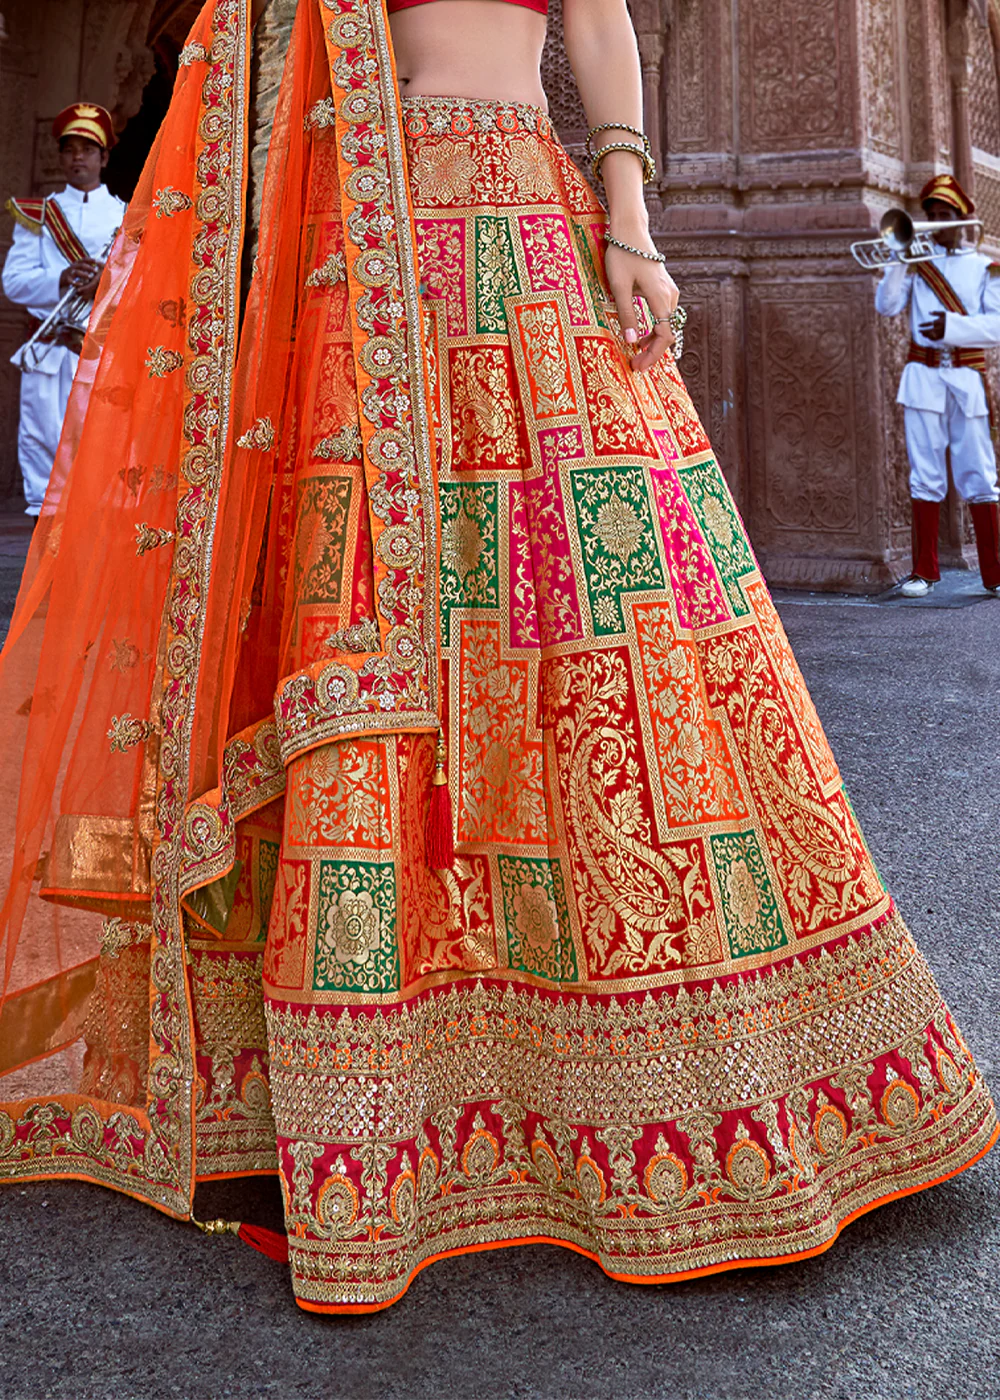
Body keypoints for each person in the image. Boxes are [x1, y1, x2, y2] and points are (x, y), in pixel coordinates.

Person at [0, 0, 994, 1316]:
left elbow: (598, 26)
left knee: (612, 601)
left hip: (532, 223)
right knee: (359, 616)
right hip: (368, 235)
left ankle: (703, 1083)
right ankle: (352, 1110)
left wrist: (631, 222)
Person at [875, 173, 1000, 598]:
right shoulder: (916, 263)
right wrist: (897, 260)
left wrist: (954, 327)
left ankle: (995, 574)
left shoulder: (985, 267)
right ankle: (924, 573)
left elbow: (997, 326)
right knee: (924, 474)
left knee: (978, 473)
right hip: (922, 377)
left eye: (944, 215)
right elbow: (887, 306)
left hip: (965, 377)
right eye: (930, 215)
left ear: (963, 220)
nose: (936, 222)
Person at [2, 103, 124, 515]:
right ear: (60, 156)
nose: (77, 157)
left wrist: (100, 286)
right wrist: (61, 279)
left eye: (88, 149)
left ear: (104, 157)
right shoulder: (38, 215)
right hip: (50, 351)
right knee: (42, 452)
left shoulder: (125, 217)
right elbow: (14, 282)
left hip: (99, 350)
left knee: (101, 448)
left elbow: (137, 287)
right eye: (70, 149)